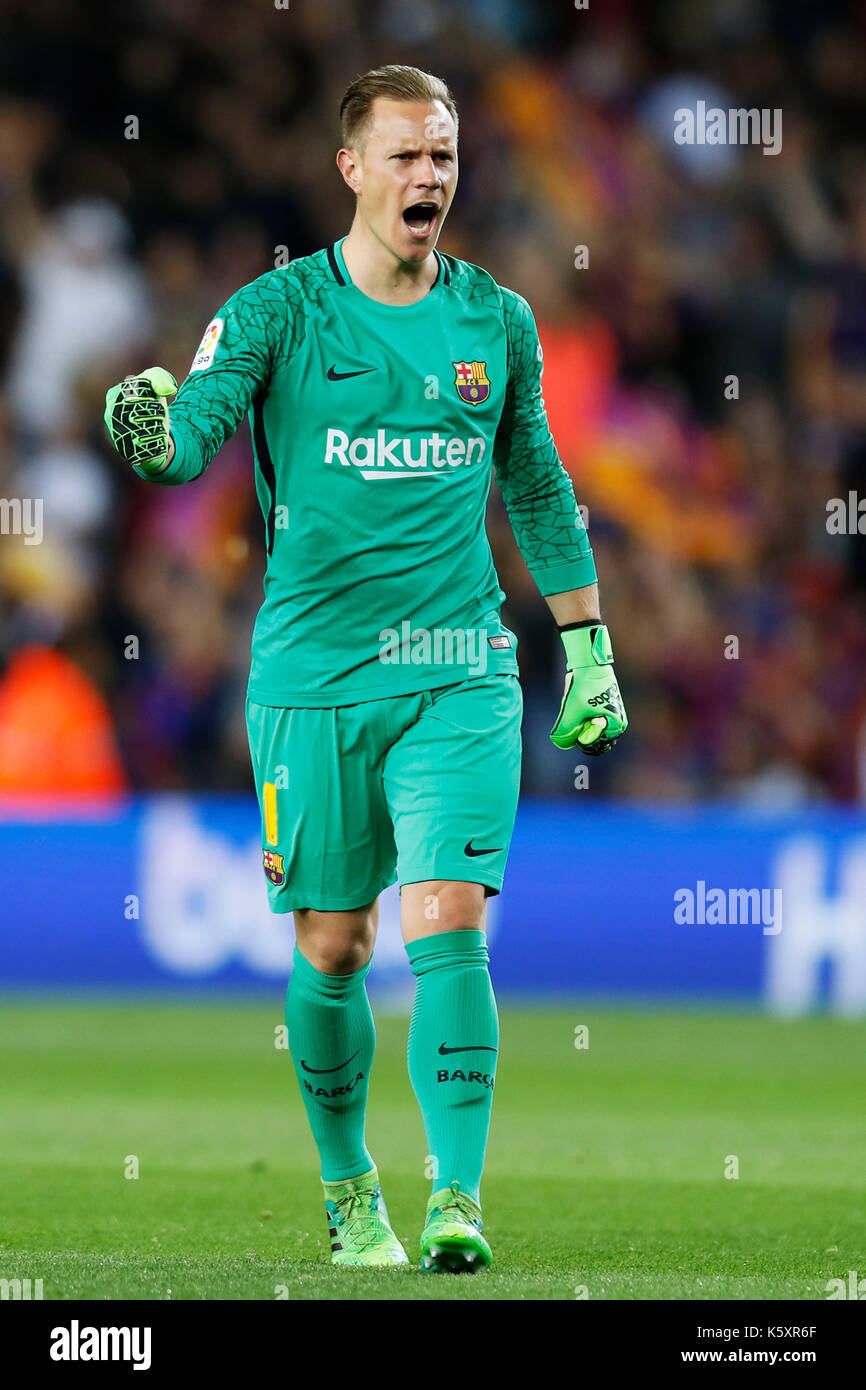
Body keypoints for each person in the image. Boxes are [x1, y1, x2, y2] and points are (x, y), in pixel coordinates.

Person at [104, 64, 627, 1274]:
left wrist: (587, 644)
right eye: (403, 156)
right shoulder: (277, 311)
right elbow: (192, 434)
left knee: (446, 925)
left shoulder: (494, 321)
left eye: (442, 155)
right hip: (313, 677)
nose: (427, 177)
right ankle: (350, 1190)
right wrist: (154, 433)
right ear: (351, 169)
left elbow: (538, 487)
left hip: (458, 669)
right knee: (333, 947)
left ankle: (456, 1197)